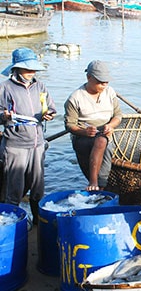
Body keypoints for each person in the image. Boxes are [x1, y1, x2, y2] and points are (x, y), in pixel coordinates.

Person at [0, 47, 56, 224]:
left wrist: (49, 114)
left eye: (33, 69)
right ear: (16, 69)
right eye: (27, 69)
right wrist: (5, 116)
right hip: (15, 144)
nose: (31, 72)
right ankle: (11, 223)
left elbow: (51, 108)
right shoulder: (5, 88)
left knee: (37, 186)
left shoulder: (40, 86)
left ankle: (38, 222)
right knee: (13, 187)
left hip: (37, 143)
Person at [64, 60, 122, 191]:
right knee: (101, 141)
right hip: (83, 137)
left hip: (105, 133)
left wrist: (111, 125)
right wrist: (85, 132)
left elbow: (118, 115)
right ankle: (95, 182)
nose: (104, 85)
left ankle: (99, 184)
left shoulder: (110, 92)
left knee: (102, 141)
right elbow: (70, 125)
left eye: (106, 82)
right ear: (89, 77)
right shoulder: (75, 98)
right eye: (100, 82)